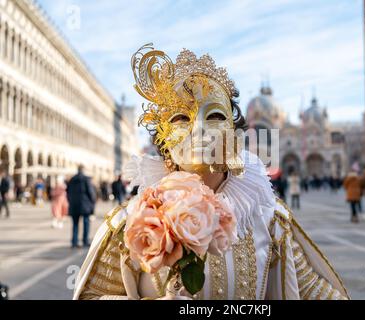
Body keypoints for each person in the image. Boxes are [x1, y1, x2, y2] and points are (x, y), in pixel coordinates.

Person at [73, 44, 348, 300]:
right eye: (180, 118)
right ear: (163, 139)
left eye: (215, 116)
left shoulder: (266, 219)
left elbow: (313, 292)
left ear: (234, 130)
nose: (199, 129)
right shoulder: (131, 221)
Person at [67, 165, 96, 248]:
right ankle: (85, 240)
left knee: (75, 224)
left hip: (74, 205)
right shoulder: (86, 179)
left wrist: (70, 201)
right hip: (85, 205)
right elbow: (90, 192)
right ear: (83, 170)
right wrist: (92, 202)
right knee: (86, 222)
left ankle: (74, 242)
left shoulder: (72, 179)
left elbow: (68, 192)